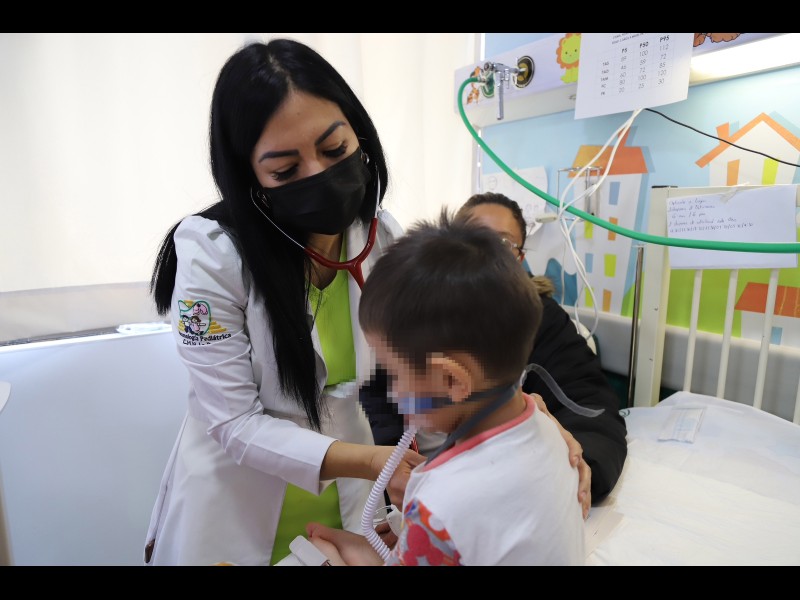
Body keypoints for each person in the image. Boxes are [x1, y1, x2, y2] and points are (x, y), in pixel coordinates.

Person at [143, 38, 425, 566]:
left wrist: (515, 412)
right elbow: (234, 424)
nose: (318, 174)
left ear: (359, 135)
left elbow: (434, 357)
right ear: (250, 176)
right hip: (237, 507)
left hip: (346, 502)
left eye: (334, 150)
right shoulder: (212, 255)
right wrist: (372, 462)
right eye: (285, 170)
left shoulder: (379, 237)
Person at [306, 212, 586, 566]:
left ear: (451, 381)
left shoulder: (440, 505)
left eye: (394, 374)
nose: (392, 391)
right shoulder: (550, 431)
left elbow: (459, 519)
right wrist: (410, 537)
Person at [361, 192, 628, 513]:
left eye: (501, 244)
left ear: (519, 259)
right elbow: (378, 401)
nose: (481, 254)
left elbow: (591, 407)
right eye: (470, 238)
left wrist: (573, 465)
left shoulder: (543, 324)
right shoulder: (405, 324)